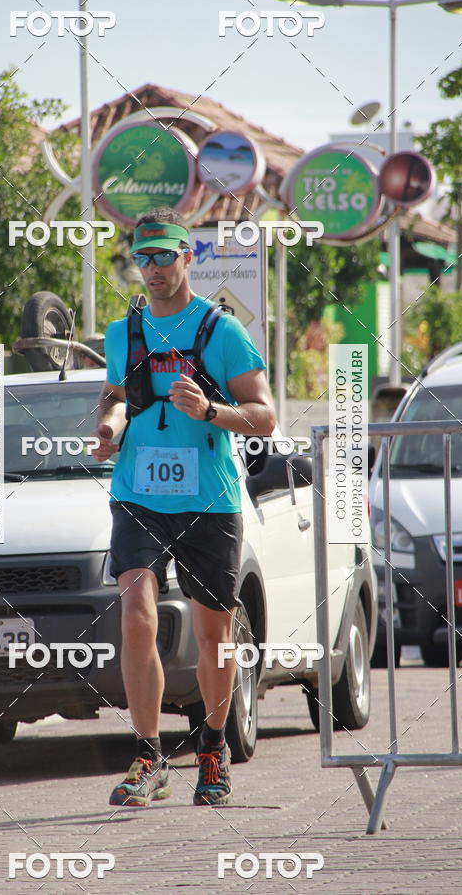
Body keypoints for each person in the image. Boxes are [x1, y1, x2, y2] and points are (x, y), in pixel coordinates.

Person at [92, 207, 276, 807]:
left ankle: (213, 747)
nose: (152, 269)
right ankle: (147, 756)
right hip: (138, 493)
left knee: (212, 632)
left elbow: (265, 414)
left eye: (164, 256)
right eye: (142, 258)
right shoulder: (125, 331)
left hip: (208, 498)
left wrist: (211, 412)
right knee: (138, 614)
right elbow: (118, 394)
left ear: (186, 256)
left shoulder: (221, 331)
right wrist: (109, 426)